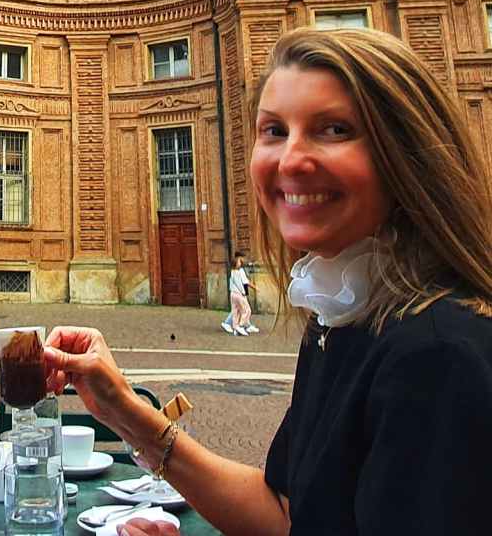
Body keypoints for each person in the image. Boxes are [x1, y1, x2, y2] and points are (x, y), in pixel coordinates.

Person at [45, 28, 492, 536]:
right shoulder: (342, 317)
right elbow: (285, 515)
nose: (291, 159)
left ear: (407, 155)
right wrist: (123, 410)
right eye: (274, 130)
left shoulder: (438, 355)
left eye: (334, 129)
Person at [221, 253, 257, 337]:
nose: (241, 262)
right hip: (239, 293)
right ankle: (240, 326)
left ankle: (236, 327)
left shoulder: (233, 272)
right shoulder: (238, 272)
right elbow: (242, 284)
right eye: (240, 261)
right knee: (246, 310)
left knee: (235, 311)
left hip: (233, 293)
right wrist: (244, 293)